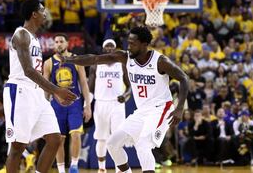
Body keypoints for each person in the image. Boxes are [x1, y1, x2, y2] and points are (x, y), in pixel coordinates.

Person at [62, 26, 189, 173]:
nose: (129, 47)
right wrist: (71, 60)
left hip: (161, 108)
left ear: (144, 44)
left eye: (132, 44)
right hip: (142, 111)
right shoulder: (126, 57)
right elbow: (95, 59)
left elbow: (184, 78)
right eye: (128, 43)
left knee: (143, 144)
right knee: (112, 143)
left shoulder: (160, 61)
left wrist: (179, 108)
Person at [3, 0, 77, 173]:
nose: (45, 14)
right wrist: (57, 90)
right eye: (42, 10)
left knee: (55, 139)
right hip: (19, 91)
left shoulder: (35, 38)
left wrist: (50, 92)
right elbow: (28, 70)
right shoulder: (21, 35)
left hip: (37, 93)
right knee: (17, 148)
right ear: (34, 14)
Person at [43, 33, 92, 173]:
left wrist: (87, 105)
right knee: (59, 139)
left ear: (67, 44)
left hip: (75, 103)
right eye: (56, 42)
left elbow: (83, 83)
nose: (58, 44)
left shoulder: (76, 60)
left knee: (76, 134)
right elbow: (45, 87)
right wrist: (44, 107)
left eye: (61, 41)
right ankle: (61, 170)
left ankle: (74, 166)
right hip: (57, 106)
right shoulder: (48, 63)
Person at [88, 39, 131, 173]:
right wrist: (86, 105)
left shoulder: (122, 65)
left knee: (117, 137)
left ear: (115, 49)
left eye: (112, 46)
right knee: (101, 138)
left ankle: (119, 168)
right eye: (107, 46)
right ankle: (102, 168)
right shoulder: (96, 65)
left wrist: (125, 96)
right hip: (100, 103)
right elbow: (90, 89)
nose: (109, 49)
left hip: (117, 104)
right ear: (103, 48)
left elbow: (130, 87)